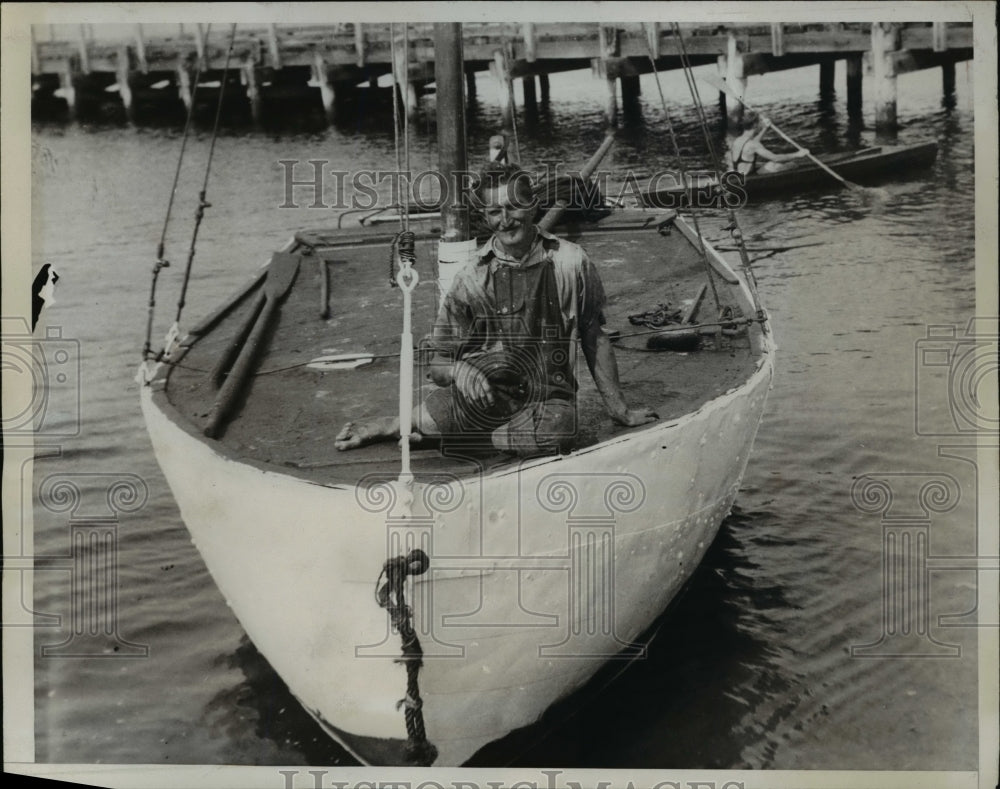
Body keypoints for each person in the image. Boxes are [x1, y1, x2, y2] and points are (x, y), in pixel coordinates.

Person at [334, 162, 657, 457]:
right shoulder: (471, 277)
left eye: (514, 206)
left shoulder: (571, 261)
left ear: (533, 206)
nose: (505, 220)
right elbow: (439, 364)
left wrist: (621, 411)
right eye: (494, 211)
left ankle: (472, 440)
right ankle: (391, 424)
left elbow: (594, 337)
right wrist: (460, 371)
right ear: (486, 217)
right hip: (490, 395)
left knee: (560, 431)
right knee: (430, 420)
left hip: (549, 402)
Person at [727, 112, 810, 176]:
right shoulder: (753, 145)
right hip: (748, 178)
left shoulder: (738, 140)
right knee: (788, 164)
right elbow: (775, 158)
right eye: (760, 122)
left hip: (740, 174)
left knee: (770, 164)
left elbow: (753, 143)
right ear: (755, 125)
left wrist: (765, 128)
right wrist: (798, 154)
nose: (762, 123)